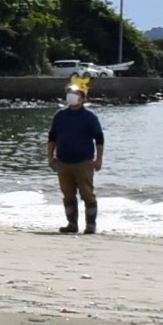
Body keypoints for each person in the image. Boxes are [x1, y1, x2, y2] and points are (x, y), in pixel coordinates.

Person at [49, 74, 104, 233]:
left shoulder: (89, 117)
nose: (71, 96)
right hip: (63, 161)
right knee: (68, 195)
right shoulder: (60, 115)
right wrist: (50, 157)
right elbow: (52, 137)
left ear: (83, 98)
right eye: (70, 92)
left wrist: (99, 159)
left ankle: (91, 225)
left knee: (87, 194)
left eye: (75, 93)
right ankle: (72, 224)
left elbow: (99, 138)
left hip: (83, 162)